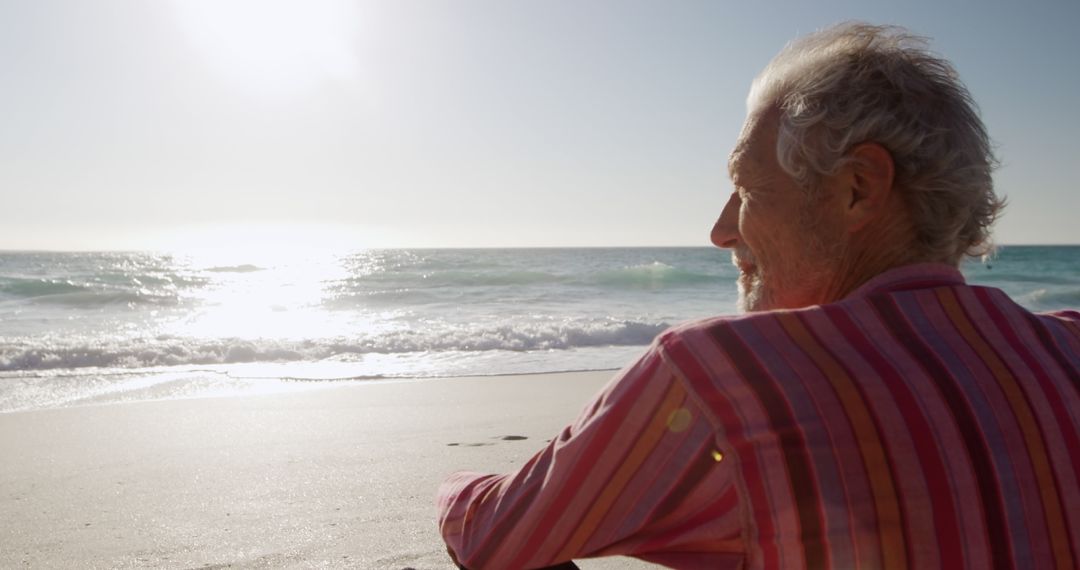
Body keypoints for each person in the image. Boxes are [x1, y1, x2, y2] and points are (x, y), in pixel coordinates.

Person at [437, 22, 1080, 569]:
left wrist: (455, 487)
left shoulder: (722, 374)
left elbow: (499, 534)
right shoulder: (1069, 350)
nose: (719, 232)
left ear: (857, 188)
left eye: (746, 190)